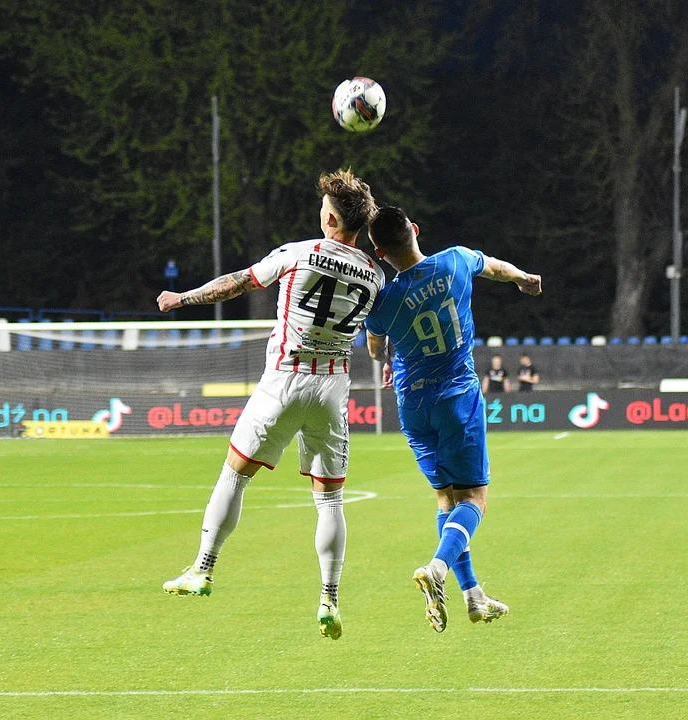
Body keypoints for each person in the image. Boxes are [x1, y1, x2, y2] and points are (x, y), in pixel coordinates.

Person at [155, 169, 384, 641]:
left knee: (235, 475)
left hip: (283, 380)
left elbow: (237, 283)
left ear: (329, 217)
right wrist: (382, 360)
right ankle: (329, 599)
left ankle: (202, 569)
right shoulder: (377, 275)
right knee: (331, 500)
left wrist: (183, 298)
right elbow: (378, 336)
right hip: (332, 389)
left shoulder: (299, 253)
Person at [364, 206, 541, 632]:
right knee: (475, 499)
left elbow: (374, 349)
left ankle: (473, 596)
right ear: (416, 231)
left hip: (412, 405)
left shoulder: (383, 301)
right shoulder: (457, 260)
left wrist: (390, 356)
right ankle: (438, 568)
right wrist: (522, 278)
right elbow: (496, 268)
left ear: (380, 252)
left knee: (447, 500)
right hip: (457, 398)